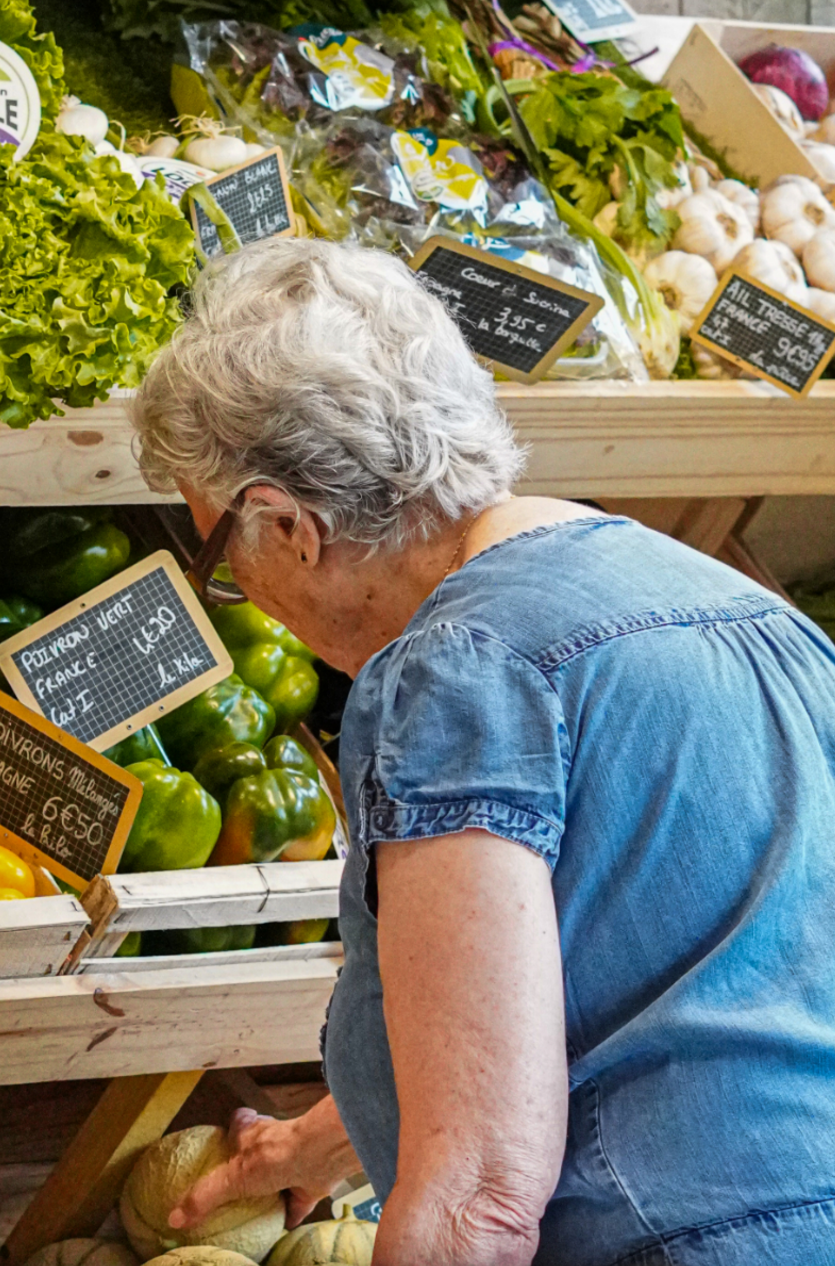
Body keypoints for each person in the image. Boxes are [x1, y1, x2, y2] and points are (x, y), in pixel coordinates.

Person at [131, 237, 835, 1265]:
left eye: (221, 560)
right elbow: (664, 997)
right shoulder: (749, 617)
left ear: (283, 523)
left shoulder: (459, 675)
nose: (250, 598)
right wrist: (325, 1142)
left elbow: (481, 1197)